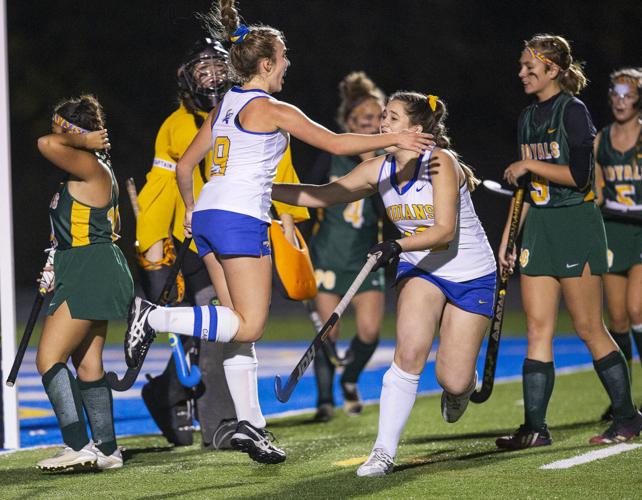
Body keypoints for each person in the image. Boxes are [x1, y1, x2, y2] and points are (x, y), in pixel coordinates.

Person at [123, 0, 432, 465]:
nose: (288, 63)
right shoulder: (270, 108)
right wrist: (395, 138)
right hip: (241, 221)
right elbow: (336, 142)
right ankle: (152, 317)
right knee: (250, 324)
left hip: (209, 216)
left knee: (236, 333)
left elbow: (186, 165)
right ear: (266, 64)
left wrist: (191, 209)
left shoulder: (225, 103)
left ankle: (252, 426)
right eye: (283, 57)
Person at [273, 91, 497, 477]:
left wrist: (396, 243)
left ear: (415, 129)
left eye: (392, 118)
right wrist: (262, 190)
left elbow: (443, 232)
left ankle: (463, 384)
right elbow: (323, 196)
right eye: (383, 117)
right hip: (421, 268)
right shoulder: (380, 168)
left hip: (470, 273)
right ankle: (382, 451)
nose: (382, 124)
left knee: (453, 378)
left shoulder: (441, 162)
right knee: (408, 353)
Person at [135, 38, 307, 449]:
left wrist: (286, 216)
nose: (211, 78)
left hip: (229, 229)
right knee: (220, 328)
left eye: (217, 68)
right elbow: (165, 179)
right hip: (190, 236)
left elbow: (276, 167)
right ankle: (177, 395)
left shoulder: (244, 108)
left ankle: (223, 424)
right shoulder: (176, 124)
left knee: (228, 329)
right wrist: (154, 238)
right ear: (187, 80)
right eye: (202, 71)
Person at [497, 34, 642, 450]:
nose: (522, 72)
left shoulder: (573, 111)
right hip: (539, 226)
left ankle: (628, 417)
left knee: (587, 327)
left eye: (530, 66)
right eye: (522, 66)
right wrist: (509, 239)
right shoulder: (526, 117)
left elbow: (580, 176)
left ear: (553, 70)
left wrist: (529, 162)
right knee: (537, 329)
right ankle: (535, 428)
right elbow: (526, 188)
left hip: (575, 224)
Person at [35, 95, 133, 471]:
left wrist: (81, 141)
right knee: (88, 364)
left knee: (48, 358)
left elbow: (45, 144)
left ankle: (77, 444)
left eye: (60, 126)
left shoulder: (89, 162)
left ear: (74, 131)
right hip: (89, 266)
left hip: (90, 268)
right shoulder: (88, 167)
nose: (53, 131)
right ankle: (107, 449)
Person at [304, 71, 386, 422]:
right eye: (364, 120)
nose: (372, 125)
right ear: (348, 123)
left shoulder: (389, 161)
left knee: (369, 333)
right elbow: (306, 197)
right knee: (328, 333)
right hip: (328, 256)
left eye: (378, 119)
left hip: (366, 259)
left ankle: (349, 379)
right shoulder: (332, 156)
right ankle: (324, 401)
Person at [594, 67, 642, 420]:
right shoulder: (602, 139)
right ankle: (623, 397)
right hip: (613, 231)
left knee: (638, 309)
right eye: (616, 94)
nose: (620, 101)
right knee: (618, 319)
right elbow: (596, 192)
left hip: (641, 230)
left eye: (628, 95)